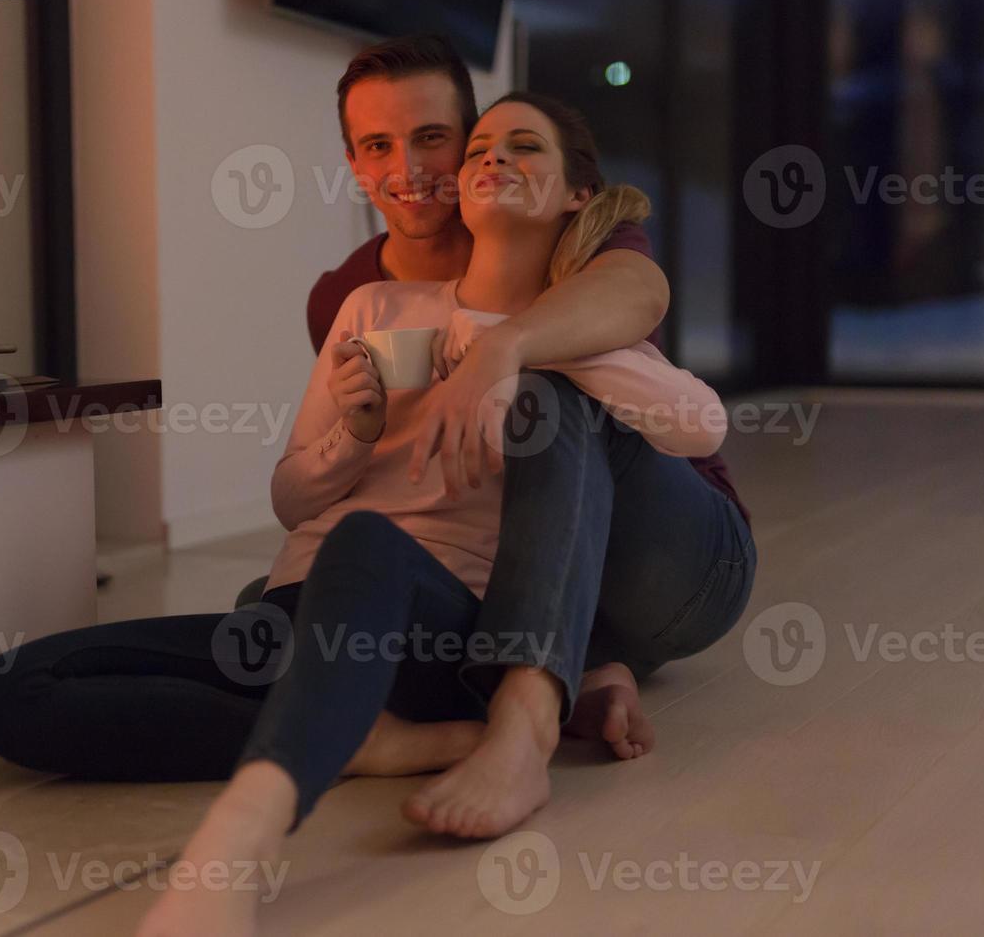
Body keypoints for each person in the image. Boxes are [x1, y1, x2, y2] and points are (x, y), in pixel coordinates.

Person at [130, 90, 754, 937]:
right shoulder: (366, 299)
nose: (463, 163)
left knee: (540, 403)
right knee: (242, 614)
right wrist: (359, 431)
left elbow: (696, 421)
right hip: (486, 583)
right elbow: (300, 498)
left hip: (680, 556)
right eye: (476, 152)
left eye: (515, 146)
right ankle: (388, 733)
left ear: (576, 194)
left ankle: (521, 728)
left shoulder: (592, 289)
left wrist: (509, 343)